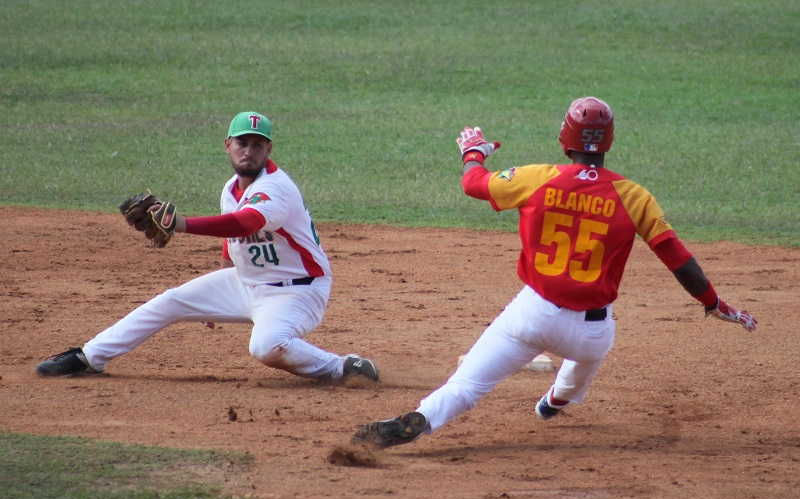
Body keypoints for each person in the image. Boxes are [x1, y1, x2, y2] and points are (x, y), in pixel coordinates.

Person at [353, 97, 755, 448]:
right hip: (591, 333)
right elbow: (679, 260)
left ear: (566, 137)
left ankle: (423, 417)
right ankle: (555, 402)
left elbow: (474, 185)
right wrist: (714, 303)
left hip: (532, 315)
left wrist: (473, 153)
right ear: (609, 140)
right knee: (586, 360)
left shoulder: (536, 179)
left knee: (466, 386)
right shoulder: (635, 196)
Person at [37, 111, 379, 384]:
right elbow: (235, 245)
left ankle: (341, 368)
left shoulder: (276, 188)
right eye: (242, 143)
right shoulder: (230, 188)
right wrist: (214, 301)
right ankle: (88, 357)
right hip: (246, 284)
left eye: (258, 145)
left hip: (297, 291)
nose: (249, 150)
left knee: (265, 347)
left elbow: (245, 224)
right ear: (228, 145)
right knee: (171, 301)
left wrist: (182, 224)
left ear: (268, 150)